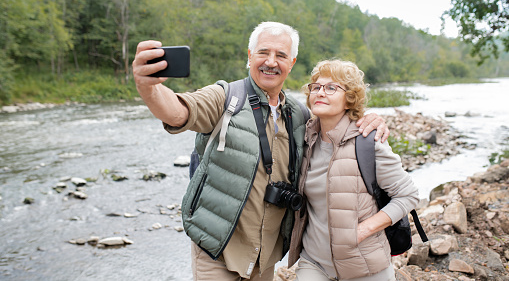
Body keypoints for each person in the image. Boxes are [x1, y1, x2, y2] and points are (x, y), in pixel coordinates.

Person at [132, 22, 389, 281]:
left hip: (266, 257)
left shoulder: (300, 115)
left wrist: (368, 120)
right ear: (249, 55)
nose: (271, 62)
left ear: (292, 62)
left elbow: (338, 126)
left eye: (281, 56)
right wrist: (148, 88)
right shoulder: (226, 97)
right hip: (217, 250)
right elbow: (178, 112)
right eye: (263, 52)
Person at [287, 59, 420, 281]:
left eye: (331, 88)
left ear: (349, 99)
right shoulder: (304, 138)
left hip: (364, 266)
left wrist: (363, 230)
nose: (321, 92)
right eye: (316, 87)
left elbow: (408, 195)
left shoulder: (369, 142)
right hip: (314, 263)